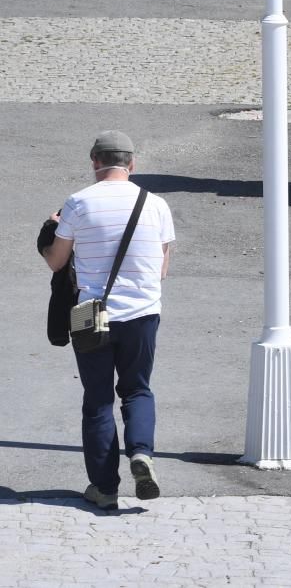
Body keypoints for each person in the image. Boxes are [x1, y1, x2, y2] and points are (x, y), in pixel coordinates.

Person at [41, 131, 175, 510]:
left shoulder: (78, 203)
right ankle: (141, 454)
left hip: (92, 316)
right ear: (132, 164)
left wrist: (52, 229)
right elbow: (161, 269)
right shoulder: (156, 205)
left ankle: (104, 488)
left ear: (95, 162)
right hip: (144, 314)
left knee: (98, 401)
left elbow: (56, 261)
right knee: (137, 390)